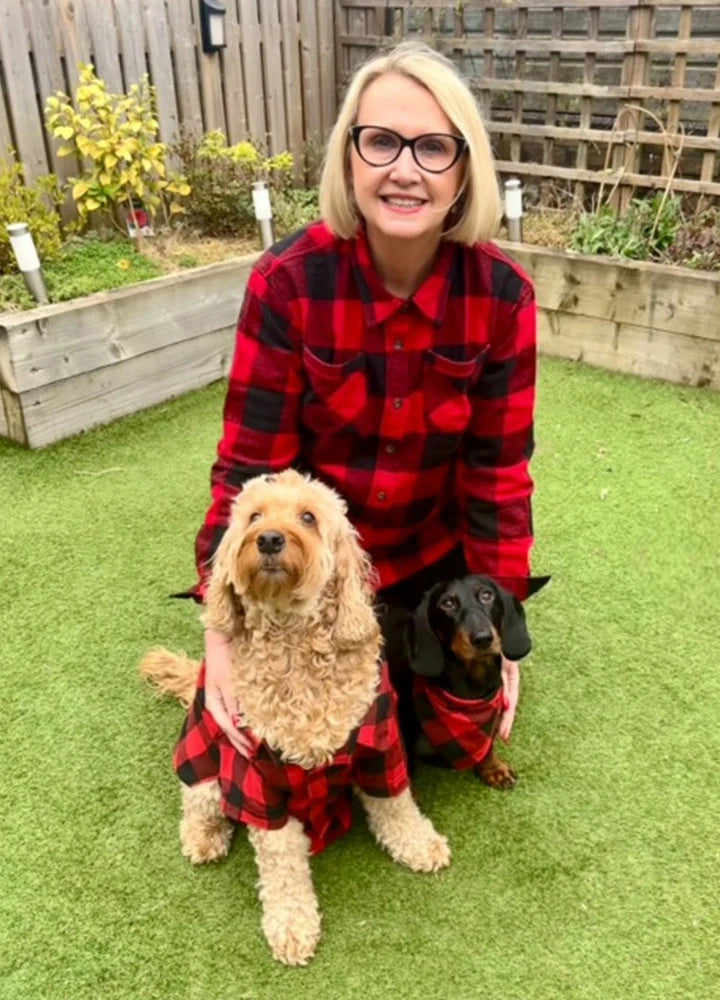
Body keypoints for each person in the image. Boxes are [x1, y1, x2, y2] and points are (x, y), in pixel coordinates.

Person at [181, 41, 537, 756]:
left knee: (426, 740)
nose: (405, 170)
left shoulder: (503, 298)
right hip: (324, 571)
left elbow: (498, 478)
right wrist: (222, 634)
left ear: (465, 172)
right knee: (268, 748)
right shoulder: (287, 282)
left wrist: (503, 625)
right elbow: (249, 469)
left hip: (432, 569)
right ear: (350, 158)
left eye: (434, 147)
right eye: (381, 142)